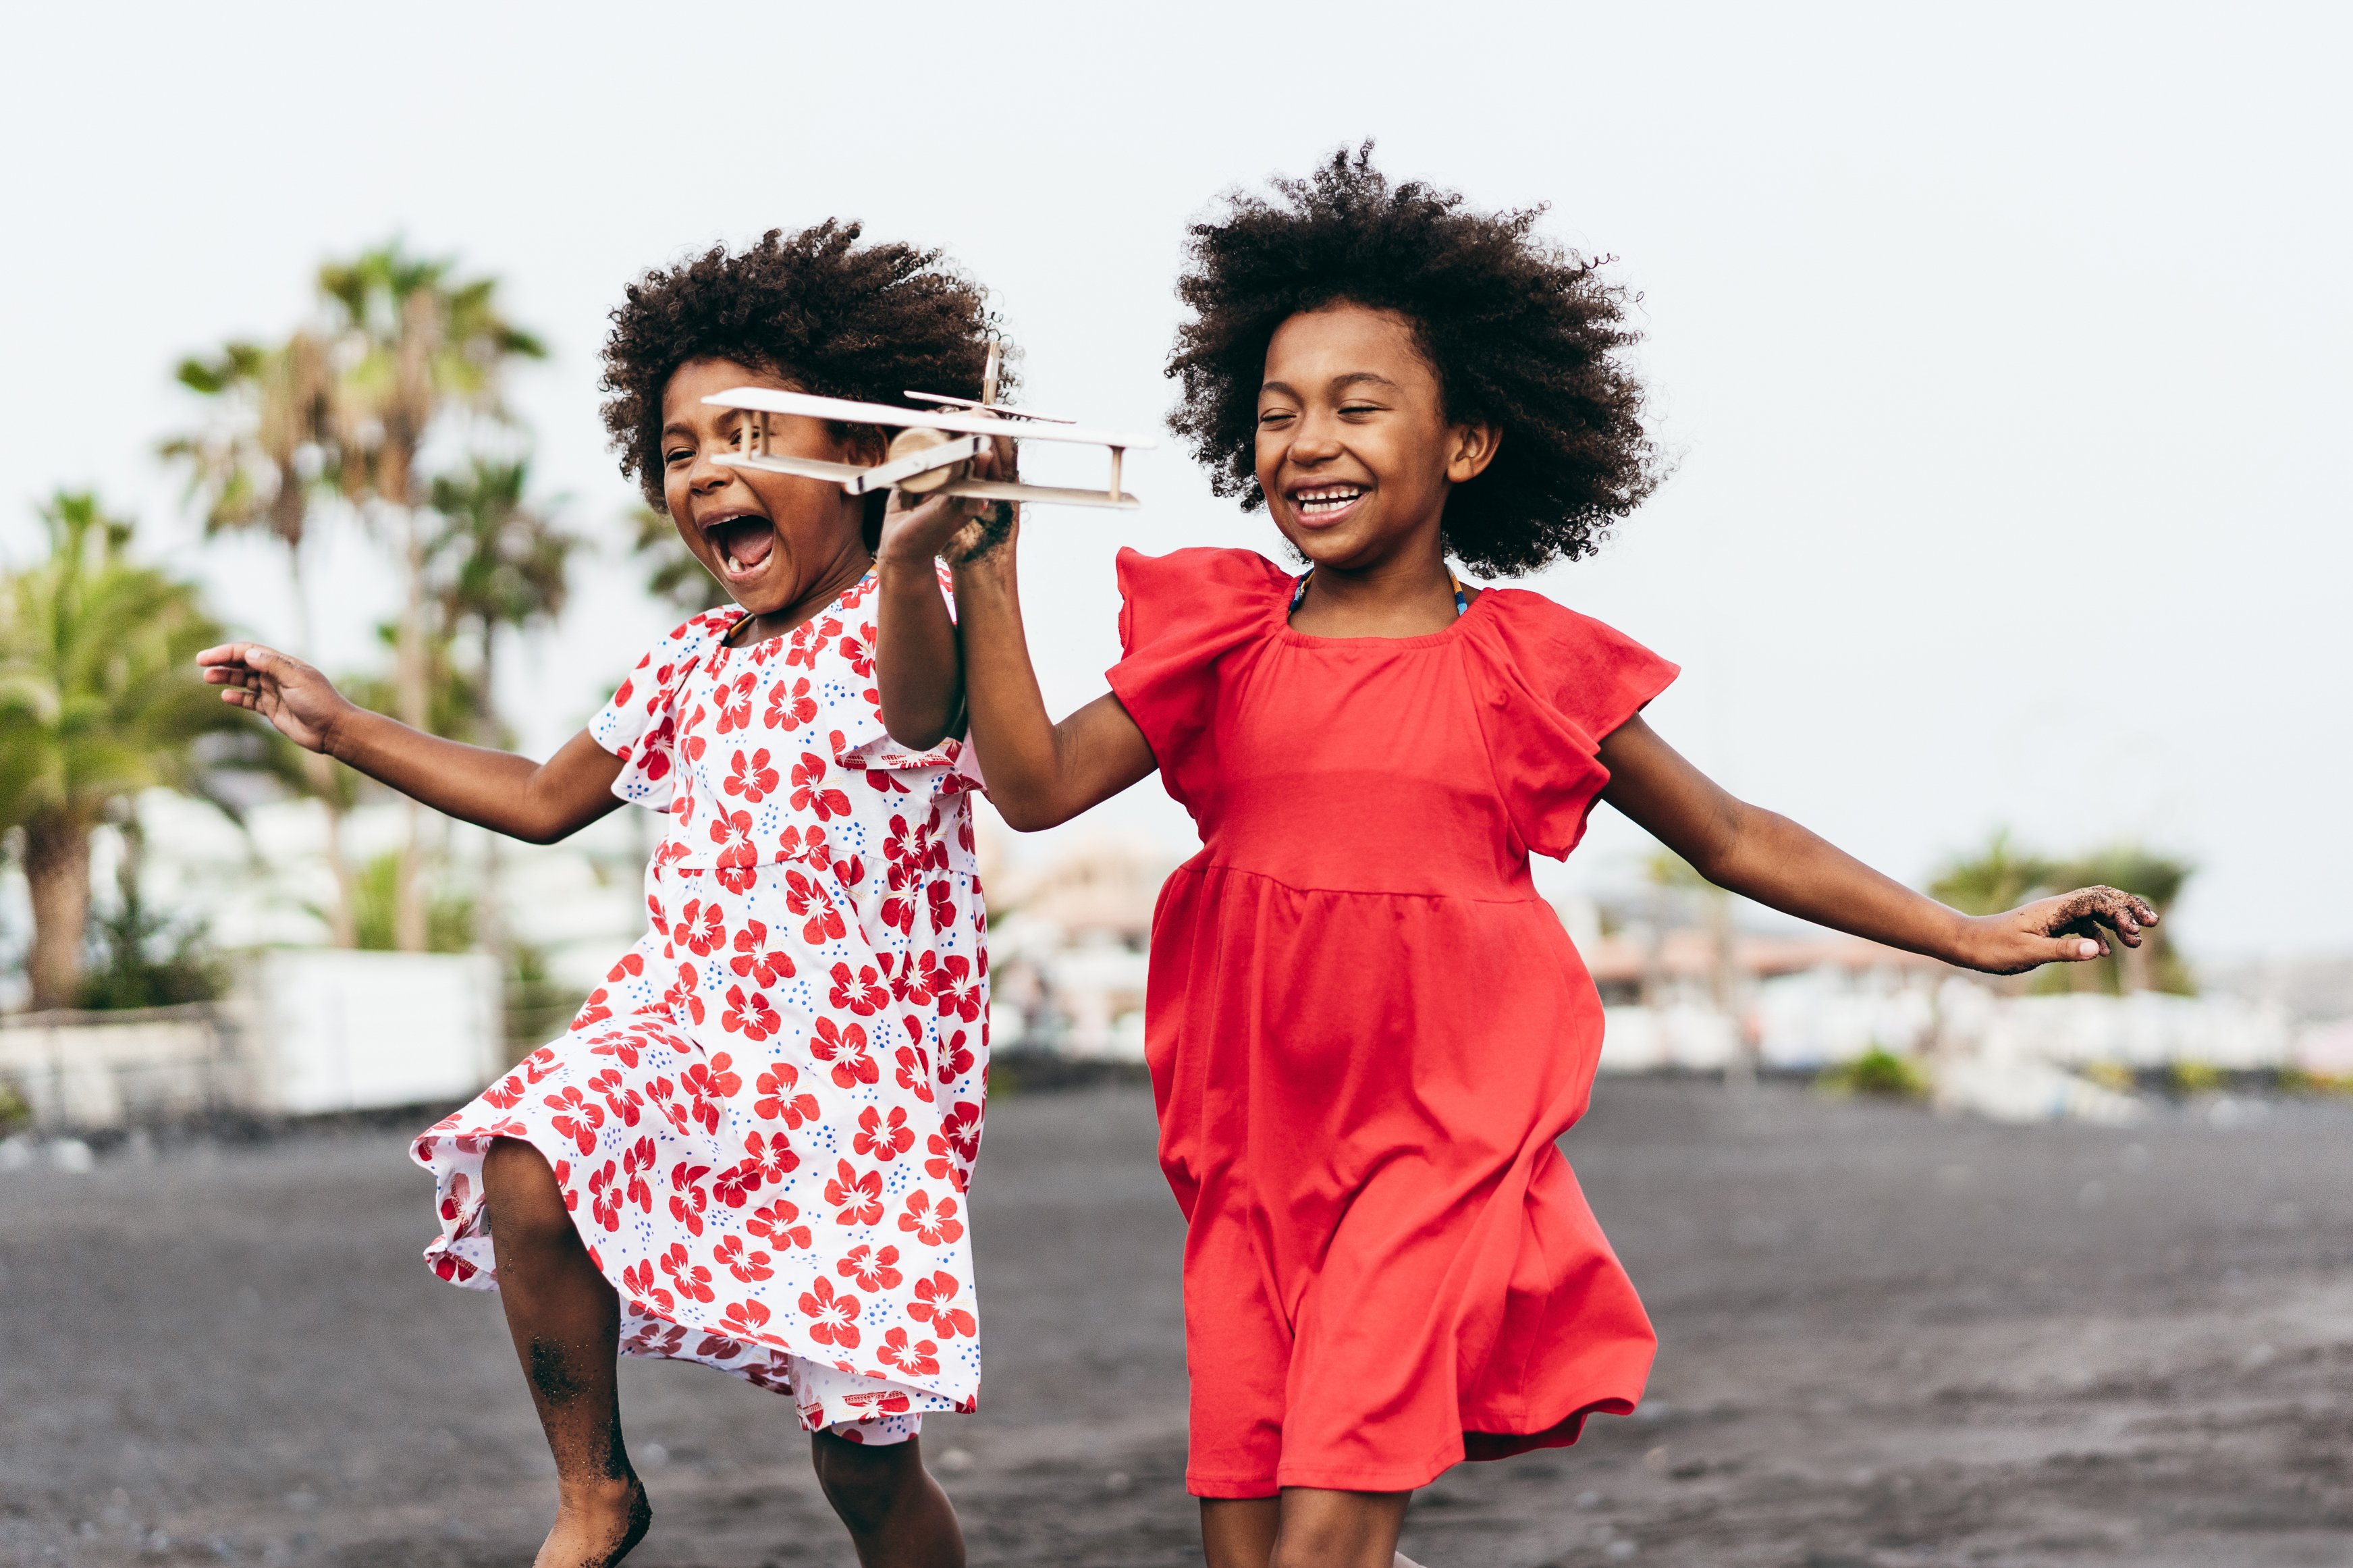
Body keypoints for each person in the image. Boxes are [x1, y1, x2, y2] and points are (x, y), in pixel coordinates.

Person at [871, 149, 2157, 1568]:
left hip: (1436, 1144)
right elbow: (1035, 786)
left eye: (1360, 407)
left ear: (1467, 444)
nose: (1308, 443)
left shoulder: (1525, 666)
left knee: (1321, 1548)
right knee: (1243, 1553)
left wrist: (1970, 936)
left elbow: (1732, 836)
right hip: (1244, 1158)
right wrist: (982, 565)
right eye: (1279, 412)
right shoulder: (1224, 637)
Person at [200, 224, 1012, 1568]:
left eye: (747, 432)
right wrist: (341, 726)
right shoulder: (687, 662)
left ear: (862, 452)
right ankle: (597, 1492)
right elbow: (536, 797)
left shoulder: (898, 610)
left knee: (863, 1467)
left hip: (855, 1100)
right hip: (690, 1039)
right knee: (528, 1153)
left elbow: (923, 710)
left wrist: (927, 532)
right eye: (679, 448)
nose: (704, 472)